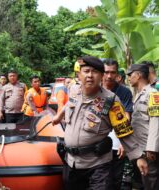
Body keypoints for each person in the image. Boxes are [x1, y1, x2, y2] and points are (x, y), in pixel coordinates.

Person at [52, 56, 148, 190]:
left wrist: (139, 157)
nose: (90, 75)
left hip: (98, 166)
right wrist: (59, 116)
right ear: (79, 74)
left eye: (95, 72)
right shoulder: (74, 90)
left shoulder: (111, 100)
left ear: (101, 76)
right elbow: (69, 104)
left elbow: (124, 130)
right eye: (86, 71)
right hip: (71, 163)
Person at [102, 58, 133, 190]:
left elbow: (127, 116)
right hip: (95, 143)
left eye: (112, 72)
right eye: (106, 72)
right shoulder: (93, 89)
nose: (109, 76)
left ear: (117, 74)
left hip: (116, 143)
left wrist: (123, 142)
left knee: (115, 180)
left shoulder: (124, 92)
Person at [127, 63, 159, 190]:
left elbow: (155, 121)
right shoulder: (139, 94)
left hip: (149, 150)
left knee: (151, 183)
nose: (129, 78)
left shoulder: (153, 94)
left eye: (130, 75)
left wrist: (151, 148)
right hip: (141, 148)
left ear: (138, 75)